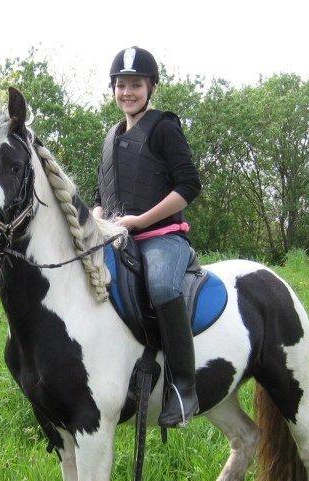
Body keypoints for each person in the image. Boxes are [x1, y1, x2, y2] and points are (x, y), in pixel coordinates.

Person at [92, 46, 201, 428]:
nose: (128, 92)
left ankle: (184, 388)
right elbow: (101, 195)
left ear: (150, 87)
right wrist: (96, 219)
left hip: (161, 238)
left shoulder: (164, 127)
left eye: (135, 84)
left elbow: (189, 185)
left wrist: (141, 221)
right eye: (121, 85)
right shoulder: (110, 135)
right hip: (117, 238)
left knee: (162, 288)